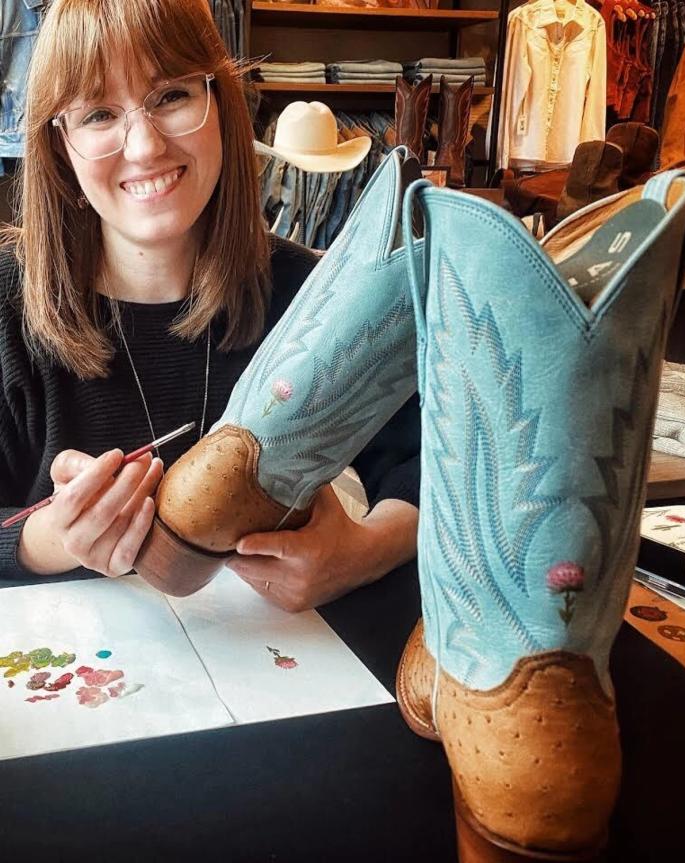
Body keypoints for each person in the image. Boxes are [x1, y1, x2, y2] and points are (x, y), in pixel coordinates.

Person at [0, 0, 420, 612]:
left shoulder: (308, 293)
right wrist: (51, 539)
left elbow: (429, 461)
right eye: (98, 113)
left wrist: (361, 552)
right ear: (60, 144)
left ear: (219, 101)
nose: (143, 146)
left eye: (171, 96)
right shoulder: (7, 301)